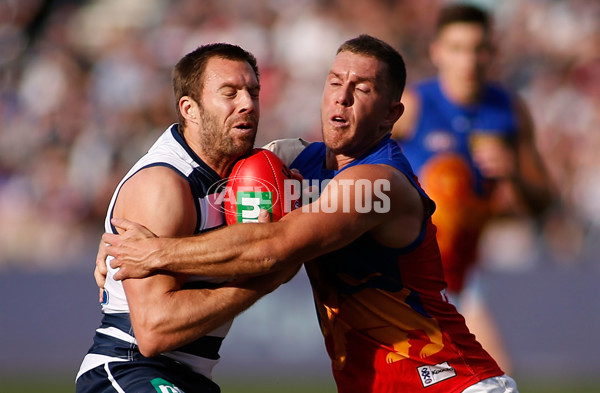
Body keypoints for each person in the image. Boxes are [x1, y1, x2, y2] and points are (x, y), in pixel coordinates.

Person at [98, 35, 519, 392]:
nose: (342, 96)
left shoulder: (378, 183)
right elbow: (217, 169)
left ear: (391, 114)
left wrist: (155, 253)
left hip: (450, 381)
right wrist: (117, 230)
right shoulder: (299, 163)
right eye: (335, 81)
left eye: (363, 88)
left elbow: (274, 246)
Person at [76, 43, 297, 393]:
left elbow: (350, 192)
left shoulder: (257, 170)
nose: (247, 104)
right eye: (230, 93)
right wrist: (264, 278)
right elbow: (153, 331)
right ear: (189, 109)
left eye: (253, 91)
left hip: (190, 377)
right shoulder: (162, 186)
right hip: (131, 368)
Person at [391, 4, 554, 373]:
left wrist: (512, 172)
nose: (468, 60)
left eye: (478, 49)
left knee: (497, 380)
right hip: (405, 274)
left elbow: (543, 200)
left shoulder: (508, 111)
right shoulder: (413, 106)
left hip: (462, 277)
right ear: (437, 51)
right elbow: (354, 168)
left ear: (491, 53)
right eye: (457, 48)